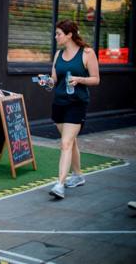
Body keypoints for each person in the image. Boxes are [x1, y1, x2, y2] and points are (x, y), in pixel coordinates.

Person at [41, 19, 100, 199]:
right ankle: (78, 176)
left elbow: (96, 79)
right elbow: (54, 79)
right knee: (71, 142)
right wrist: (47, 82)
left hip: (77, 104)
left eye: (59, 33)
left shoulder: (87, 53)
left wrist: (79, 79)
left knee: (65, 143)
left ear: (69, 35)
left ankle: (59, 185)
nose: (55, 36)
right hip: (59, 104)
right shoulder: (58, 55)